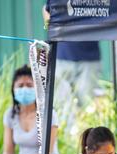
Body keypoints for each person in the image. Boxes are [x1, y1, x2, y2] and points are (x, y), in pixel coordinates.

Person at [42, 6, 100, 134]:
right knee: (62, 104)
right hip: (62, 56)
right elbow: (47, 10)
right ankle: (65, 137)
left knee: (87, 103)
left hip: (89, 57)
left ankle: (87, 137)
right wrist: (51, 30)